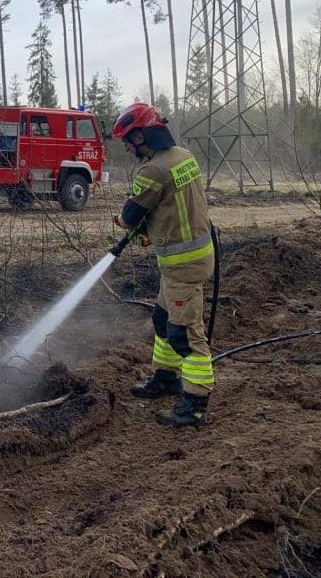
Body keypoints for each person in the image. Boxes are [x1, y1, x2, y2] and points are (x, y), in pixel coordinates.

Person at [112, 102, 215, 428]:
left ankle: (195, 403)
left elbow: (131, 215)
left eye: (128, 140)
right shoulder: (183, 156)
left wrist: (130, 223)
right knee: (162, 319)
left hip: (183, 266)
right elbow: (174, 206)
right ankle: (166, 378)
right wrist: (151, 230)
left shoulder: (153, 170)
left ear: (143, 134)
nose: (127, 147)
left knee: (184, 333)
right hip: (186, 261)